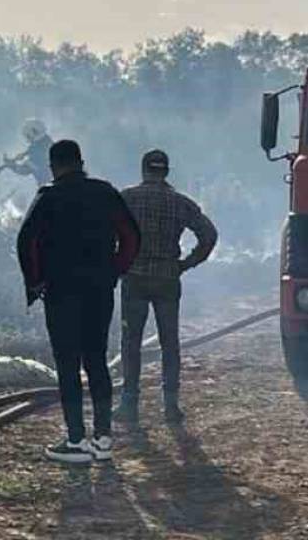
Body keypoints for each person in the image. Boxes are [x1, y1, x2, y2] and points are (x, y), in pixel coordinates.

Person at [16, 139, 139, 463]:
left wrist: (36, 283)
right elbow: (130, 237)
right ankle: (103, 439)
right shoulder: (105, 192)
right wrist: (115, 270)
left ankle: (75, 441)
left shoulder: (48, 197)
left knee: (68, 364)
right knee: (97, 359)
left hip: (61, 292)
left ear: (54, 166)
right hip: (99, 291)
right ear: (81, 161)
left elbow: (26, 242)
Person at [116, 150, 218, 425]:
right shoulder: (180, 203)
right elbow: (209, 235)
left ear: (143, 169)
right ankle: (170, 404)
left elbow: (104, 231)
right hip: (167, 279)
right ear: (166, 172)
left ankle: (129, 403)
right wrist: (186, 264)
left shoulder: (126, 199)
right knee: (169, 342)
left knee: (131, 342)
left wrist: (117, 261)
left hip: (134, 277)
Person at [0, 119, 54, 185]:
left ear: (33, 133)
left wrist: (11, 165)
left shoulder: (35, 151)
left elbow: (24, 170)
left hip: (48, 186)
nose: (29, 139)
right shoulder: (48, 141)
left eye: (28, 136)